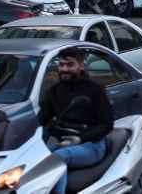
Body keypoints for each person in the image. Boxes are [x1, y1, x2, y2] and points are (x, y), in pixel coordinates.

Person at [38, 49, 114, 194]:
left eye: (70, 65)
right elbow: (41, 119)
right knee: (34, 161)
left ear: (81, 66)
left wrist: (80, 138)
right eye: (61, 65)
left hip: (92, 145)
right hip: (63, 144)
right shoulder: (54, 91)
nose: (64, 69)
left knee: (57, 157)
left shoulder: (95, 90)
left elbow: (107, 124)